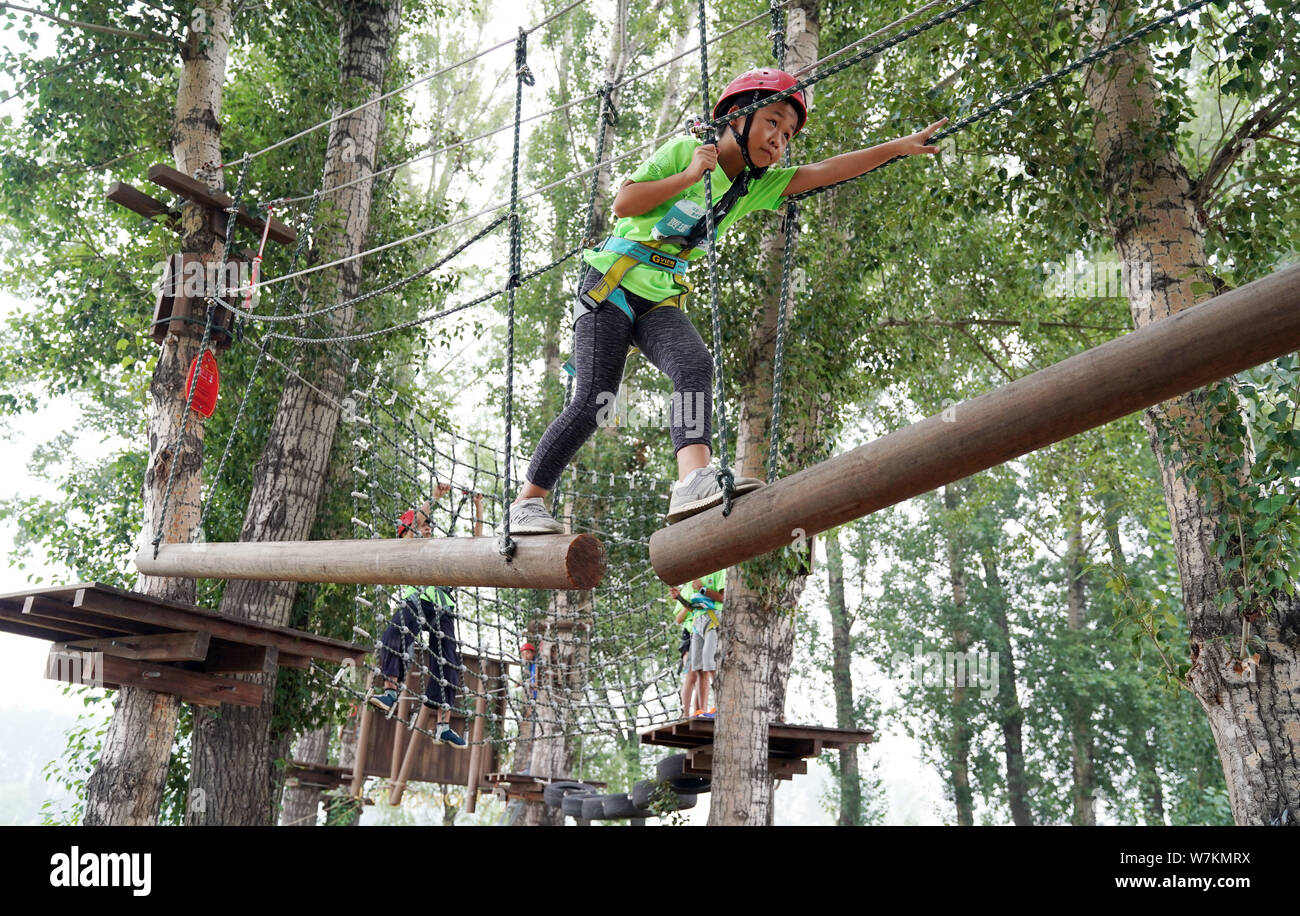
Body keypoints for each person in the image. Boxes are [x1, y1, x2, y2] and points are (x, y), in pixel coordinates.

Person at [506, 68, 946, 534]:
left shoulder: (755, 186)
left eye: (788, 133)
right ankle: (527, 503)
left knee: (695, 363)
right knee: (596, 396)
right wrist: (693, 173)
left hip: (659, 297)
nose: (780, 139)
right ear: (738, 117)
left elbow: (822, 173)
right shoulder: (686, 152)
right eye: (773, 122)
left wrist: (896, 147)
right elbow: (625, 204)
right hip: (611, 283)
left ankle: (692, 478)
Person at [369, 486, 484, 749]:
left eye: (430, 525)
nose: (428, 527)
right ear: (409, 531)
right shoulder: (407, 548)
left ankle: (443, 725)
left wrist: (478, 507)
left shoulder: (442, 553)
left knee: (448, 661)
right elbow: (417, 519)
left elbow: (477, 547)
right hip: (417, 601)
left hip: (443, 609)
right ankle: (390, 691)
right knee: (394, 633)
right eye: (423, 526)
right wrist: (436, 496)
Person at [677, 569, 725, 718]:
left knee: (709, 660)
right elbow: (691, 608)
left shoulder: (719, 571)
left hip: (712, 617)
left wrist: (702, 589)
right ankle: (701, 710)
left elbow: (723, 598)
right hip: (697, 622)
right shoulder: (693, 578)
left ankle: (720, 705)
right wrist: (679, 597)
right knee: (698, 667)